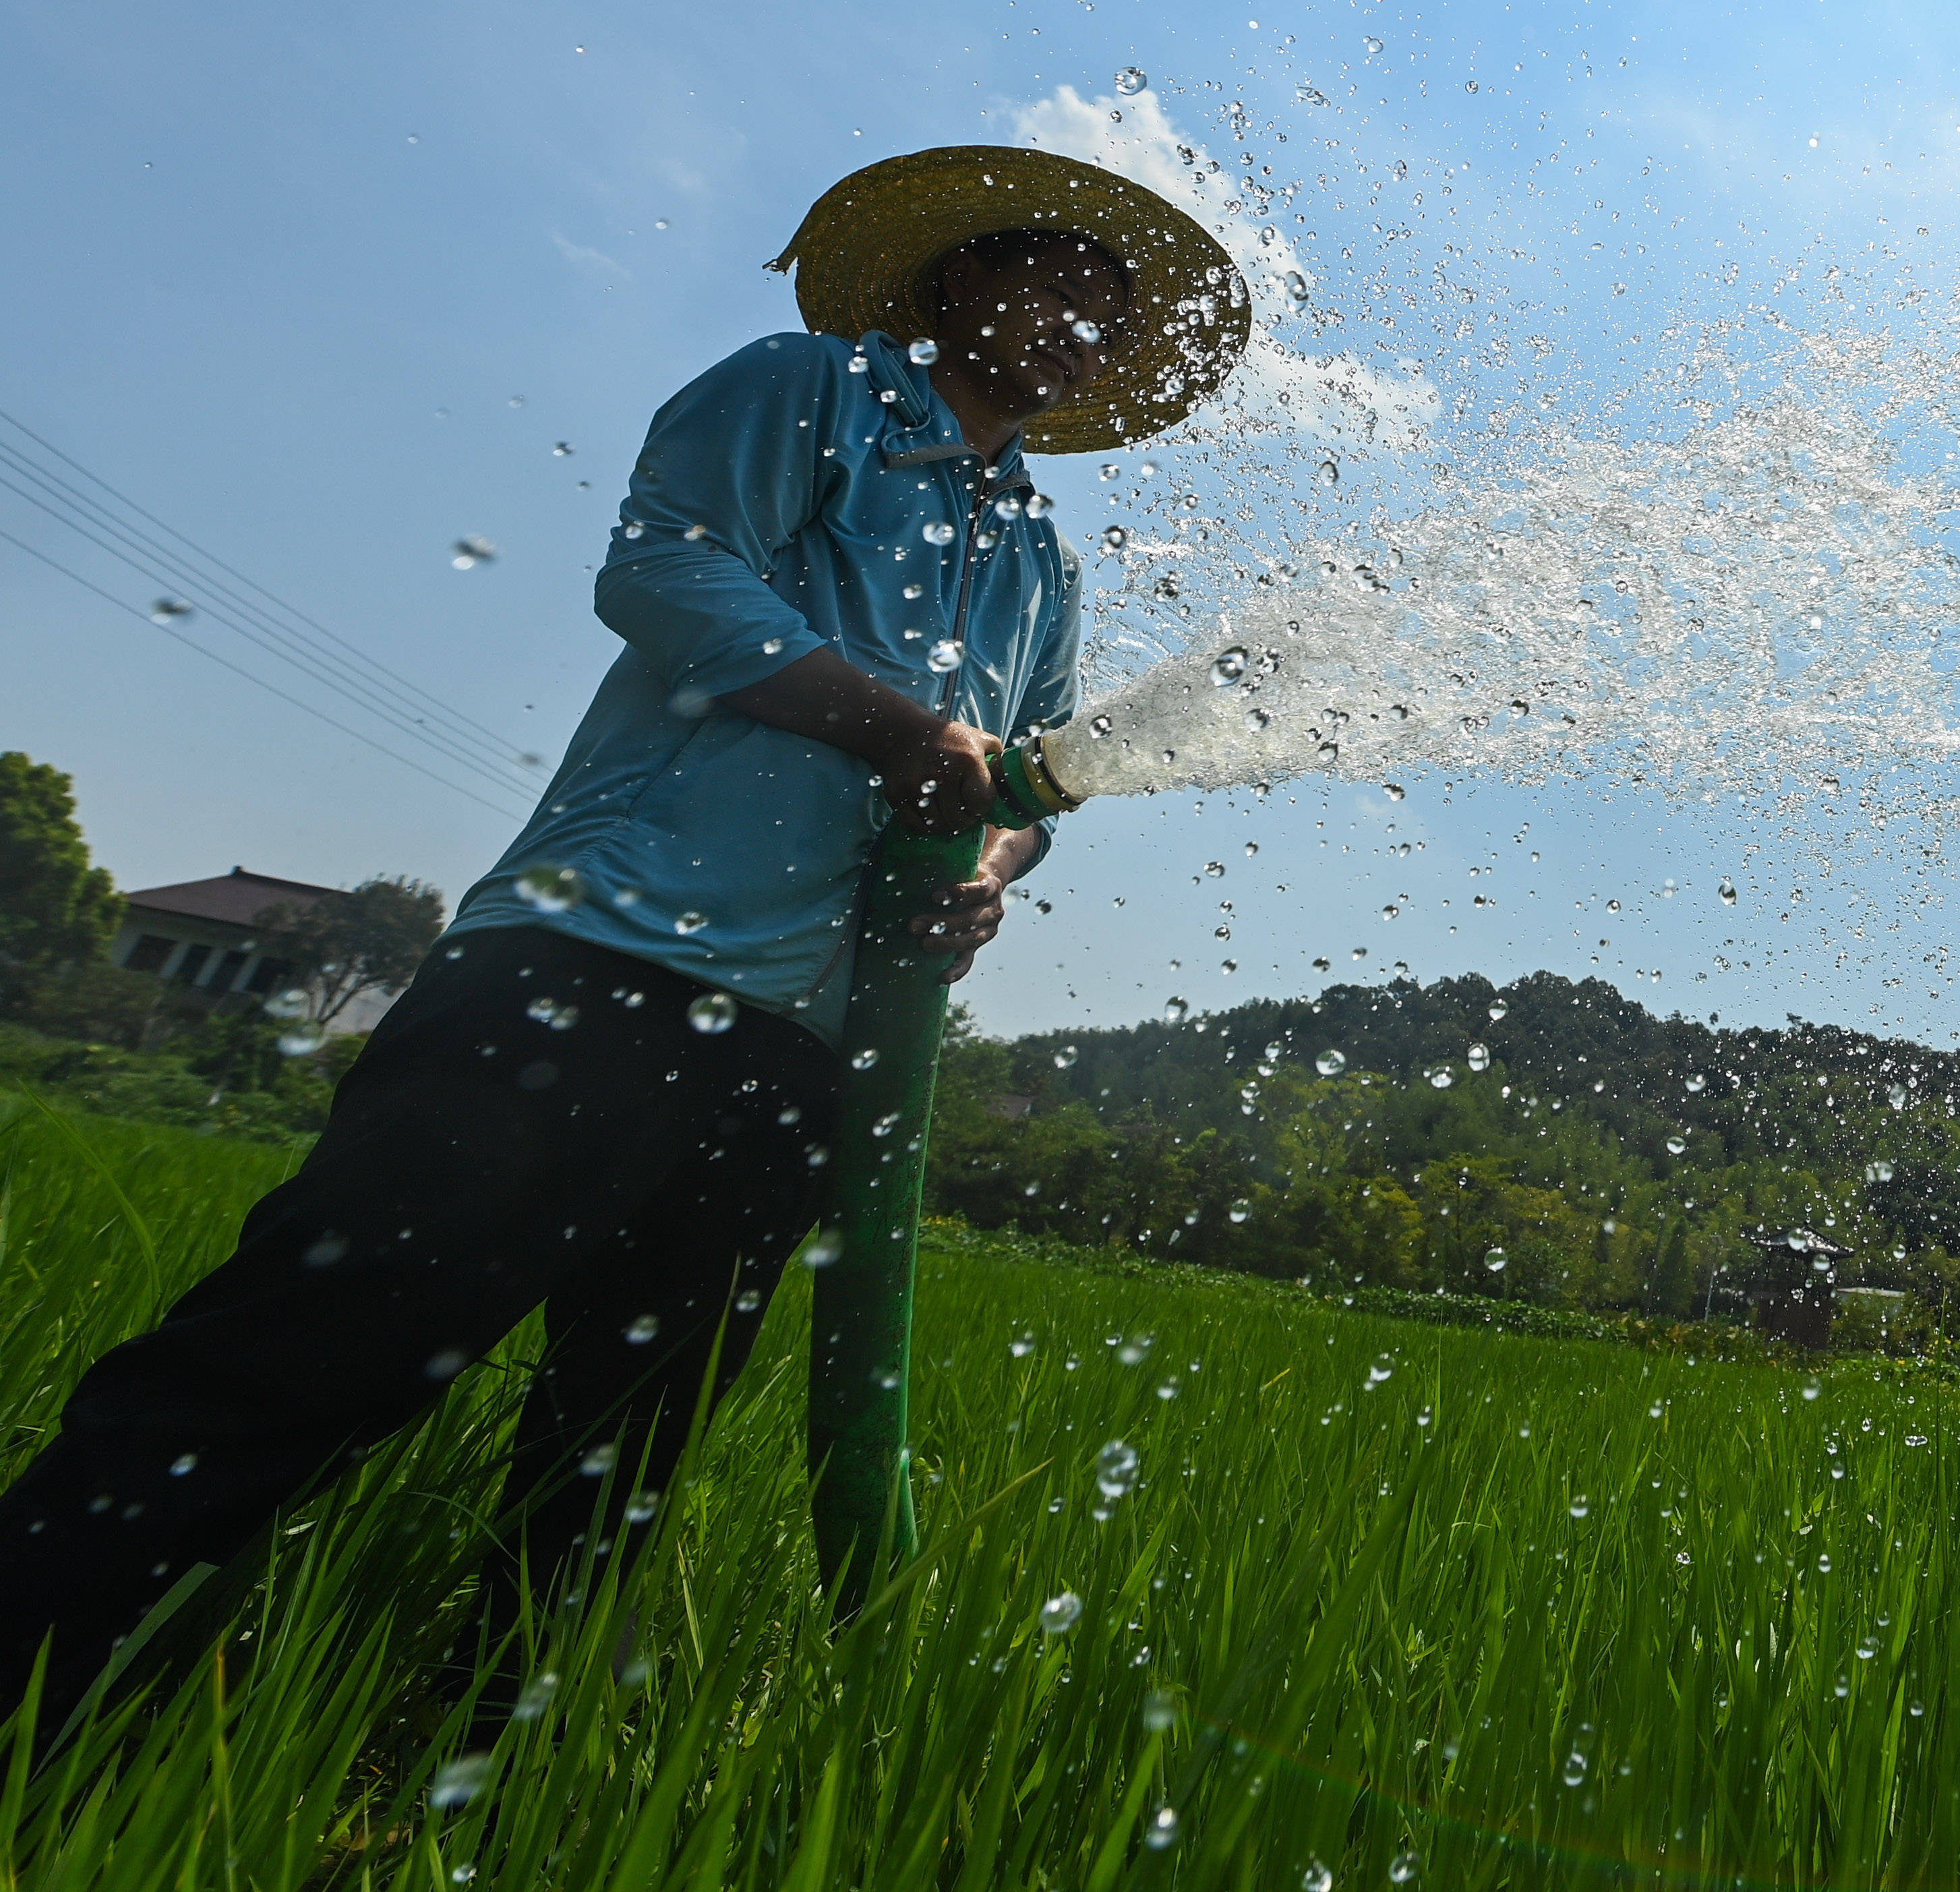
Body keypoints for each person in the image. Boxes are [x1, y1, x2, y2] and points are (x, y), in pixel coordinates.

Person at [0, 145, 1248, 1730]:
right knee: (328, 1343)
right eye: (1048, 279)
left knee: (624, 1450)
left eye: (1107, 313)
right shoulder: (809, 392)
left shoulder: (1041, 560)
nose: (1078, 323)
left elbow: (1029, 770)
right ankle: (44, 1682)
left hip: (809, 1037)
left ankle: (440, 1764)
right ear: (950, 286)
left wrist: (988, 862)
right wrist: (888, 727)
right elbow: (665, 569)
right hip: (601, 963)